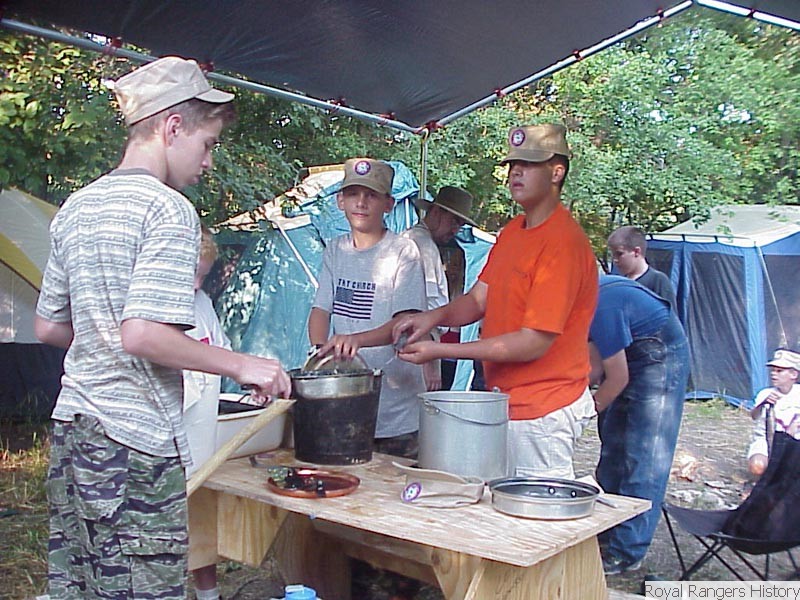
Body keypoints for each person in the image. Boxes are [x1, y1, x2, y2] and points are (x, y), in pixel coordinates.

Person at [34, 56, 291, 599]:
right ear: (172, 127)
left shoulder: (76, 208)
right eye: (207, 144)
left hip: (74, 435)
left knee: (81, 587)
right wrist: (242, 364)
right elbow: (143, 335)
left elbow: (49, 327)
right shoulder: (167, 209)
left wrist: (104, 334)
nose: (209, 162)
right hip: (134, 448)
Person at [394, 123, 598, 480]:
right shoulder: (514, 232)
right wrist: (432, 318)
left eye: (529, 164)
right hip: (505, 402)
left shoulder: (562, 243)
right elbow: (478, 299)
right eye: (513, 164)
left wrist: (440, 350)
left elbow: (532, 343)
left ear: (556, 172)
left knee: (533, 512)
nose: (516, 172)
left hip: (543, 411)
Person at [309, 157, 426, 459]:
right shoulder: (335, 250)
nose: (360, 203)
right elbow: (320, 310)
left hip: (396, 413)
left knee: (390, 487)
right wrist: (320, 353)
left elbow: (405, 323)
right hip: (345, 405)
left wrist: (356, 340)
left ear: (388, 204)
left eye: (371, 195)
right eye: (353, 194)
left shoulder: (403, 251)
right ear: (340, 201)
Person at [588, 274, 690, 575]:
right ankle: (605, 532)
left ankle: (627, 551)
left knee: (644, 455)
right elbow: (592, 368)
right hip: (629, 352)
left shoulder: (601, 307)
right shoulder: (577, 306)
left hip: (660, 356)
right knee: (612, 450)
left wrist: (582, 414)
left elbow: (616, 377)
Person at [183, 225, 231, 600]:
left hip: (201, 427)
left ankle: (208, 593)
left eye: (204, 275)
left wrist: (248, 374)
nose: (199, 284)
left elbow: (221, 350)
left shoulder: (202, 303)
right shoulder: (157, 308)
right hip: (171, 431)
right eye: (193, 274)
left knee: (201, 513)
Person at [401, 186, 477, 391]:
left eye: (459, 224)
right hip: (420, 345)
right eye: (453, 221)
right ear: (435, 212)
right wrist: (431, 363)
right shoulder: (423, 246)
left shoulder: (411, 239)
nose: (455, 230)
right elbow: (419, 308)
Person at [747, 348, 800, 477]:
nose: (773, 374)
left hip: (795, 442)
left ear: (793, 374)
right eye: (773, 370)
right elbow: (754, 416)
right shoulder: (765, 393)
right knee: (757, 466)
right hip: (766, 440)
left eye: (779, 371)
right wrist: (763, 404)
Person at [608, 225, 677, 312]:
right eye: (613, 255)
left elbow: (670, 317)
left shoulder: (658, 280)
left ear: (636, 252)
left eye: (619, 254)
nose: (615, 260)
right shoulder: (619, 282)